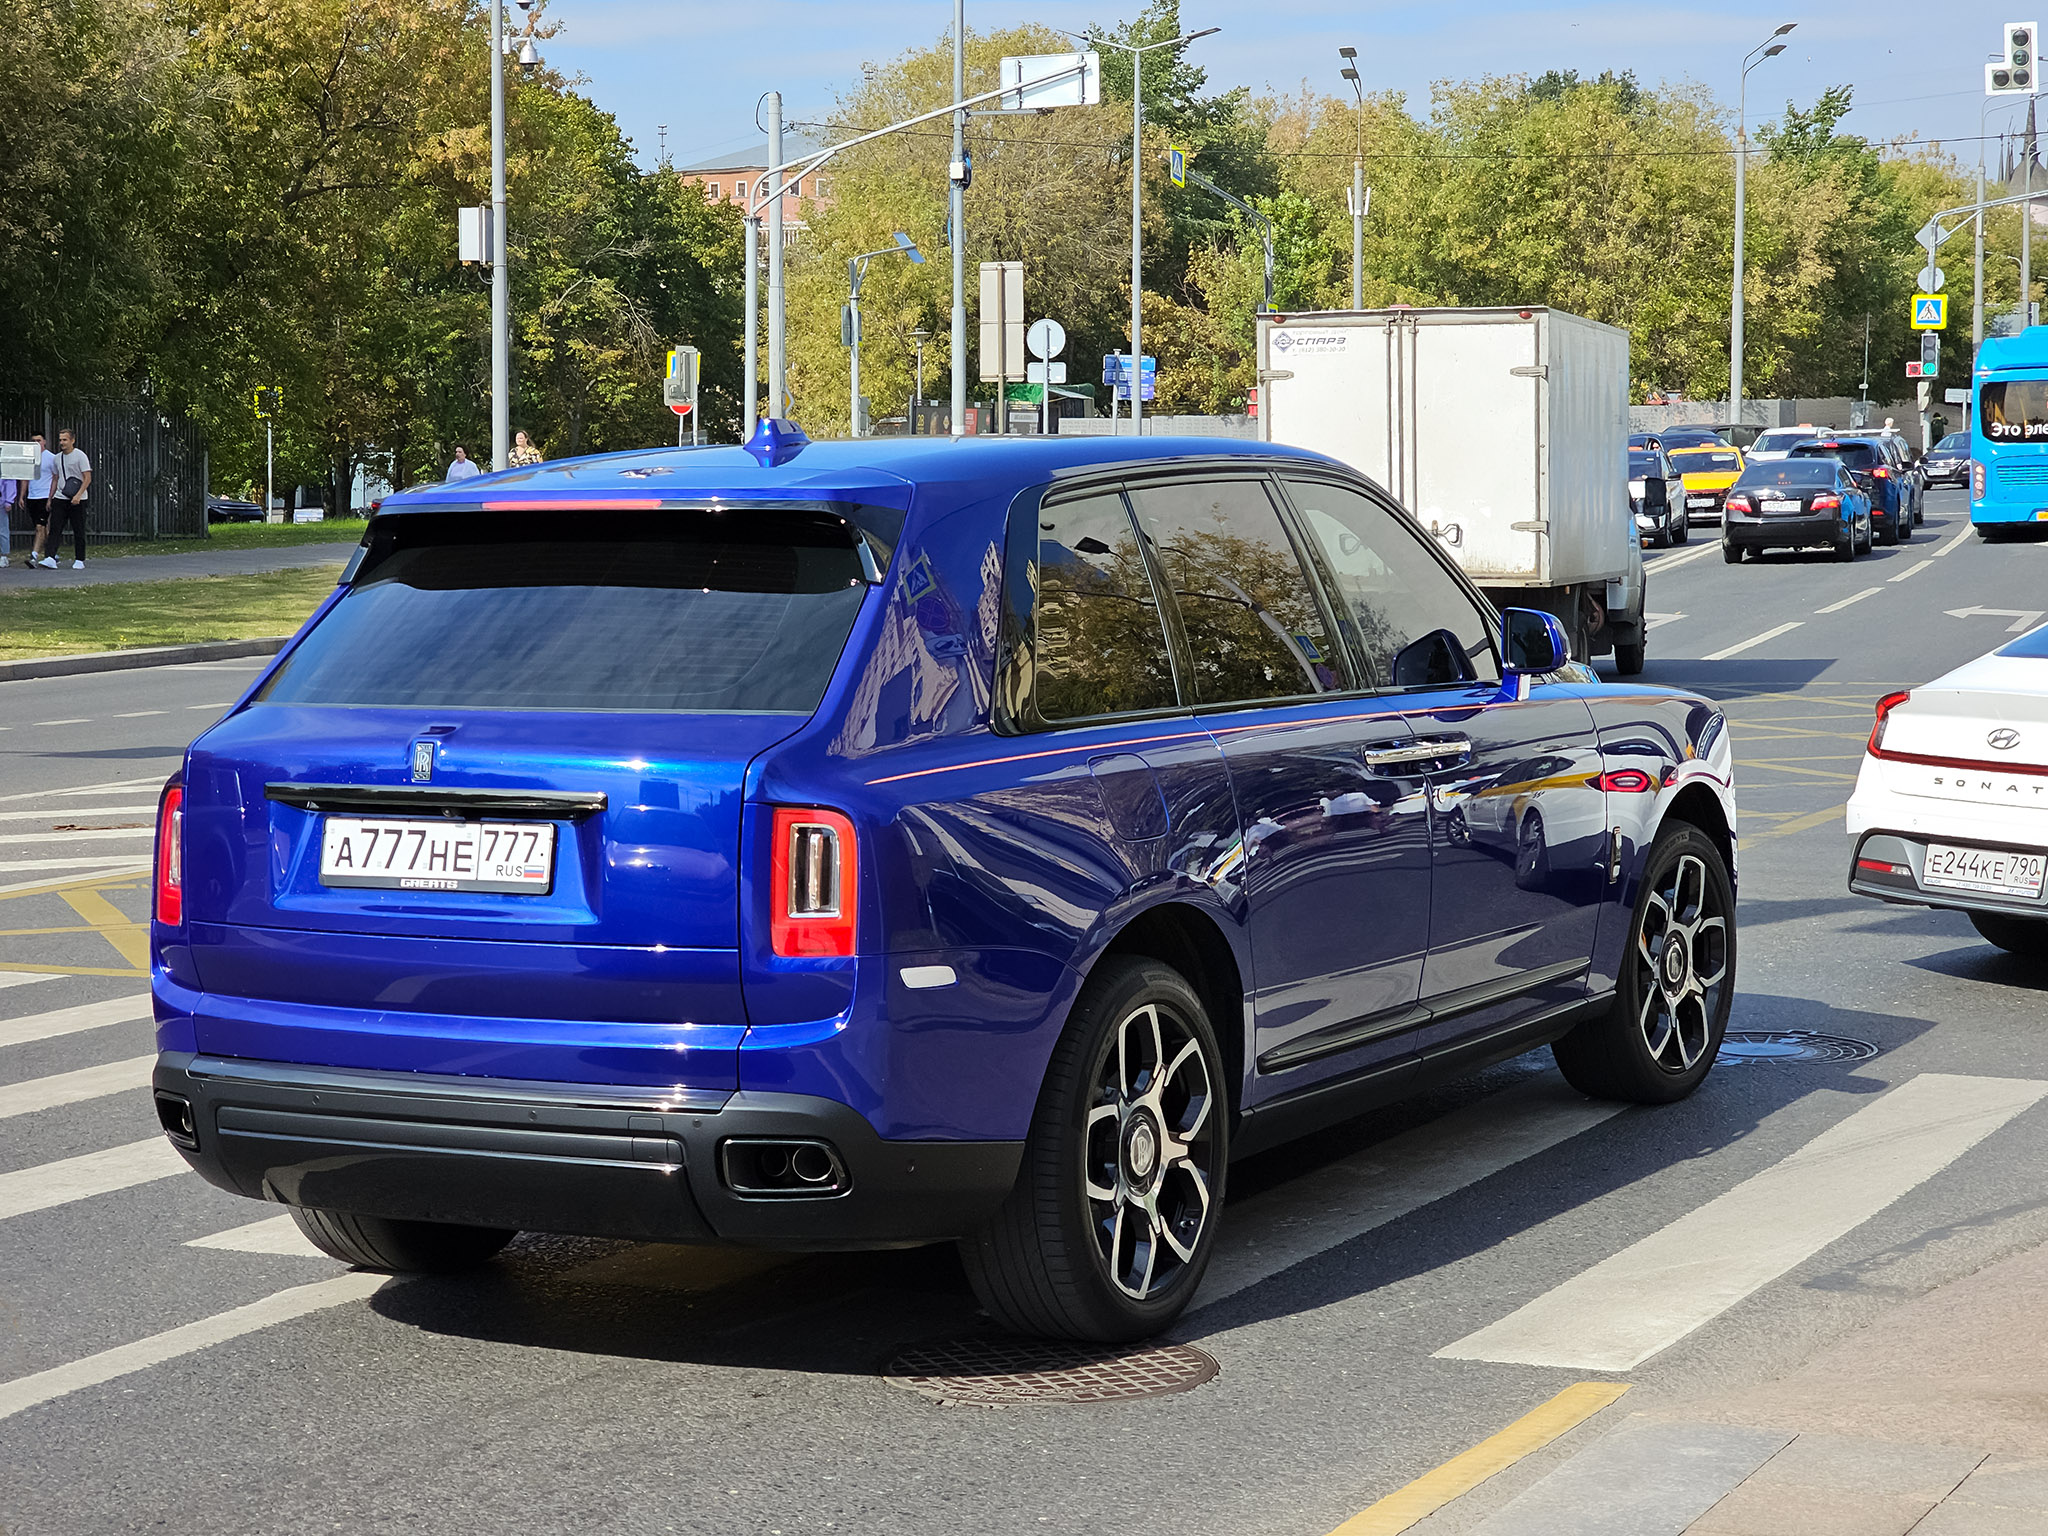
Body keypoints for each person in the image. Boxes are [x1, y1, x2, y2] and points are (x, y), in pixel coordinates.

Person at [42, 427, 91, 569]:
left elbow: (87, 478)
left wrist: (78, 495)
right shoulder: (57, 458)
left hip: (78, 498)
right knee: (55, 527)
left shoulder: (80, 456)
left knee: (78, 529)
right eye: (60, 440)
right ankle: (50, 557)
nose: (62, 443)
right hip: (60, 496)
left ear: (72, 440)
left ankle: (79, 559)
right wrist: (50, 498)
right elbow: (56, 478)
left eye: (65, 440)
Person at [24, 432, 55, 566]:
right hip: (32, 496)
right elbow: (25, 477)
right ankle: (52, 553)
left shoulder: (51, 458)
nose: (36, 443)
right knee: (43, 529)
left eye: (39, 440)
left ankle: (34, 556)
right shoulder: (29, 457)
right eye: (34, 441)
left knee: (40, 527)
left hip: (44, 495)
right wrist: (21, 496)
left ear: (44, 442)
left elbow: (55, 478)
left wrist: (50, 497)